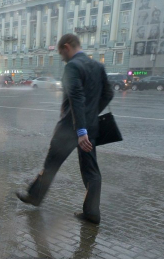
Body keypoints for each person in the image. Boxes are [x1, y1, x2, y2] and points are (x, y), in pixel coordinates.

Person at [16, 34, 114, 224]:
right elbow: (109, 93)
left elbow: (76, 98)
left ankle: (34, 196)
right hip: (91, 128)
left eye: (62, 54)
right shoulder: (98, 66)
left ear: (67, 47)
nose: (62, 58)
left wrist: (80, 130)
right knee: (91, 171)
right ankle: (92, 213)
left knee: (51, 164)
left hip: (70, 130)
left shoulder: (73, 67)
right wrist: (92, 114)